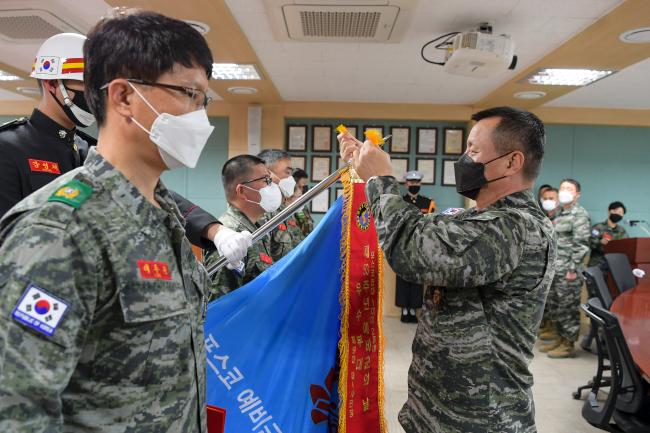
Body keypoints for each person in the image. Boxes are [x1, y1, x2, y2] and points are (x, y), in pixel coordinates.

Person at [0, 10, 218, 431]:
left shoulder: (163, 213)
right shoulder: (61, 229)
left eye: (203, 99)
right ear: (122, 97)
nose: (200, 116)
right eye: (188, 93)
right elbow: (17, 405)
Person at [339, 106, 555, 433]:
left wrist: (379, 179)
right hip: (440, 410)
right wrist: (363, 168)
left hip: (478, 418)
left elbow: (410, 249)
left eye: (474, 149)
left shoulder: (512, 227)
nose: (464, 158)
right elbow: (422, 229)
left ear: (512, 162)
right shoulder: (482, 219)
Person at [0, 32, 250, 267]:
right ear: (51, 84)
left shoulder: (88, 149)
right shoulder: (9, 147)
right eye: (84, 85)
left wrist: (214, 230)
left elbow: (147, 191)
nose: (93, 96)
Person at [204, 155, 279, 300]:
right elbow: (221, 307)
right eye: (266, 180)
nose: (272, 185)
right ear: (242, 191)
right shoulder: (231, 236)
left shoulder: (257, 227)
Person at [540, 178, 590, 358]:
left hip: (569, 271)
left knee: (568, 308)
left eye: (569, 189)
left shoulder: (580, 215)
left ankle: (568, 345)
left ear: (577, 195)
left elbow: (581, 245)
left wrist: (572, 269)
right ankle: (559, 338)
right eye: (562, 188)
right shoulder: (559, 213)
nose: (564, 191)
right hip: (556, 269)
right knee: (557, 306)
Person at [396, 170, 435, 323]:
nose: (414, 185)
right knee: (403, 278)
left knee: (417, 279)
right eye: (411, 183)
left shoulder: (427, 203)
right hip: (403, 246)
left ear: (420, 184)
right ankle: (404, 309)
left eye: (417, 183)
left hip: (419, 246)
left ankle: (413, 309)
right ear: (406, 184)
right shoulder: (400, 202)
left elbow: (431, 224)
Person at [257, 149, 301, 261]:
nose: (291, 179)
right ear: (268, 173)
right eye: (287, 172)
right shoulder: (263, 212)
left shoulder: (283, 209)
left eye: (291, 174)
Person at [538, 186, 560, 338]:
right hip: (545, 266)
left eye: (551, 198)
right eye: (545, 199)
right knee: (549, 300)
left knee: (560, 302)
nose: (548, 201)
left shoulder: (563, 217)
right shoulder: (543, 217)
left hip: (561, 267)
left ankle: (560, 336)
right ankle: (550, 327)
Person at [588, 201, 628, 270]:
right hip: (597, 266)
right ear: (610, 211)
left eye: (621, 213)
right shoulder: (598, 227)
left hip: (615, 267)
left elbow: (627, 246)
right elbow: (590, 243)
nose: (619, 214)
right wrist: (600, 242)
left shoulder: (622, 231)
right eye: (617, 211)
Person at [292, 167, 315, 237]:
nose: (302, 191)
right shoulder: (283, 207)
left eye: (304, 187)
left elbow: (308, 228)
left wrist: (299, 211)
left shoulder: (303, 207)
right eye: (299, 186)